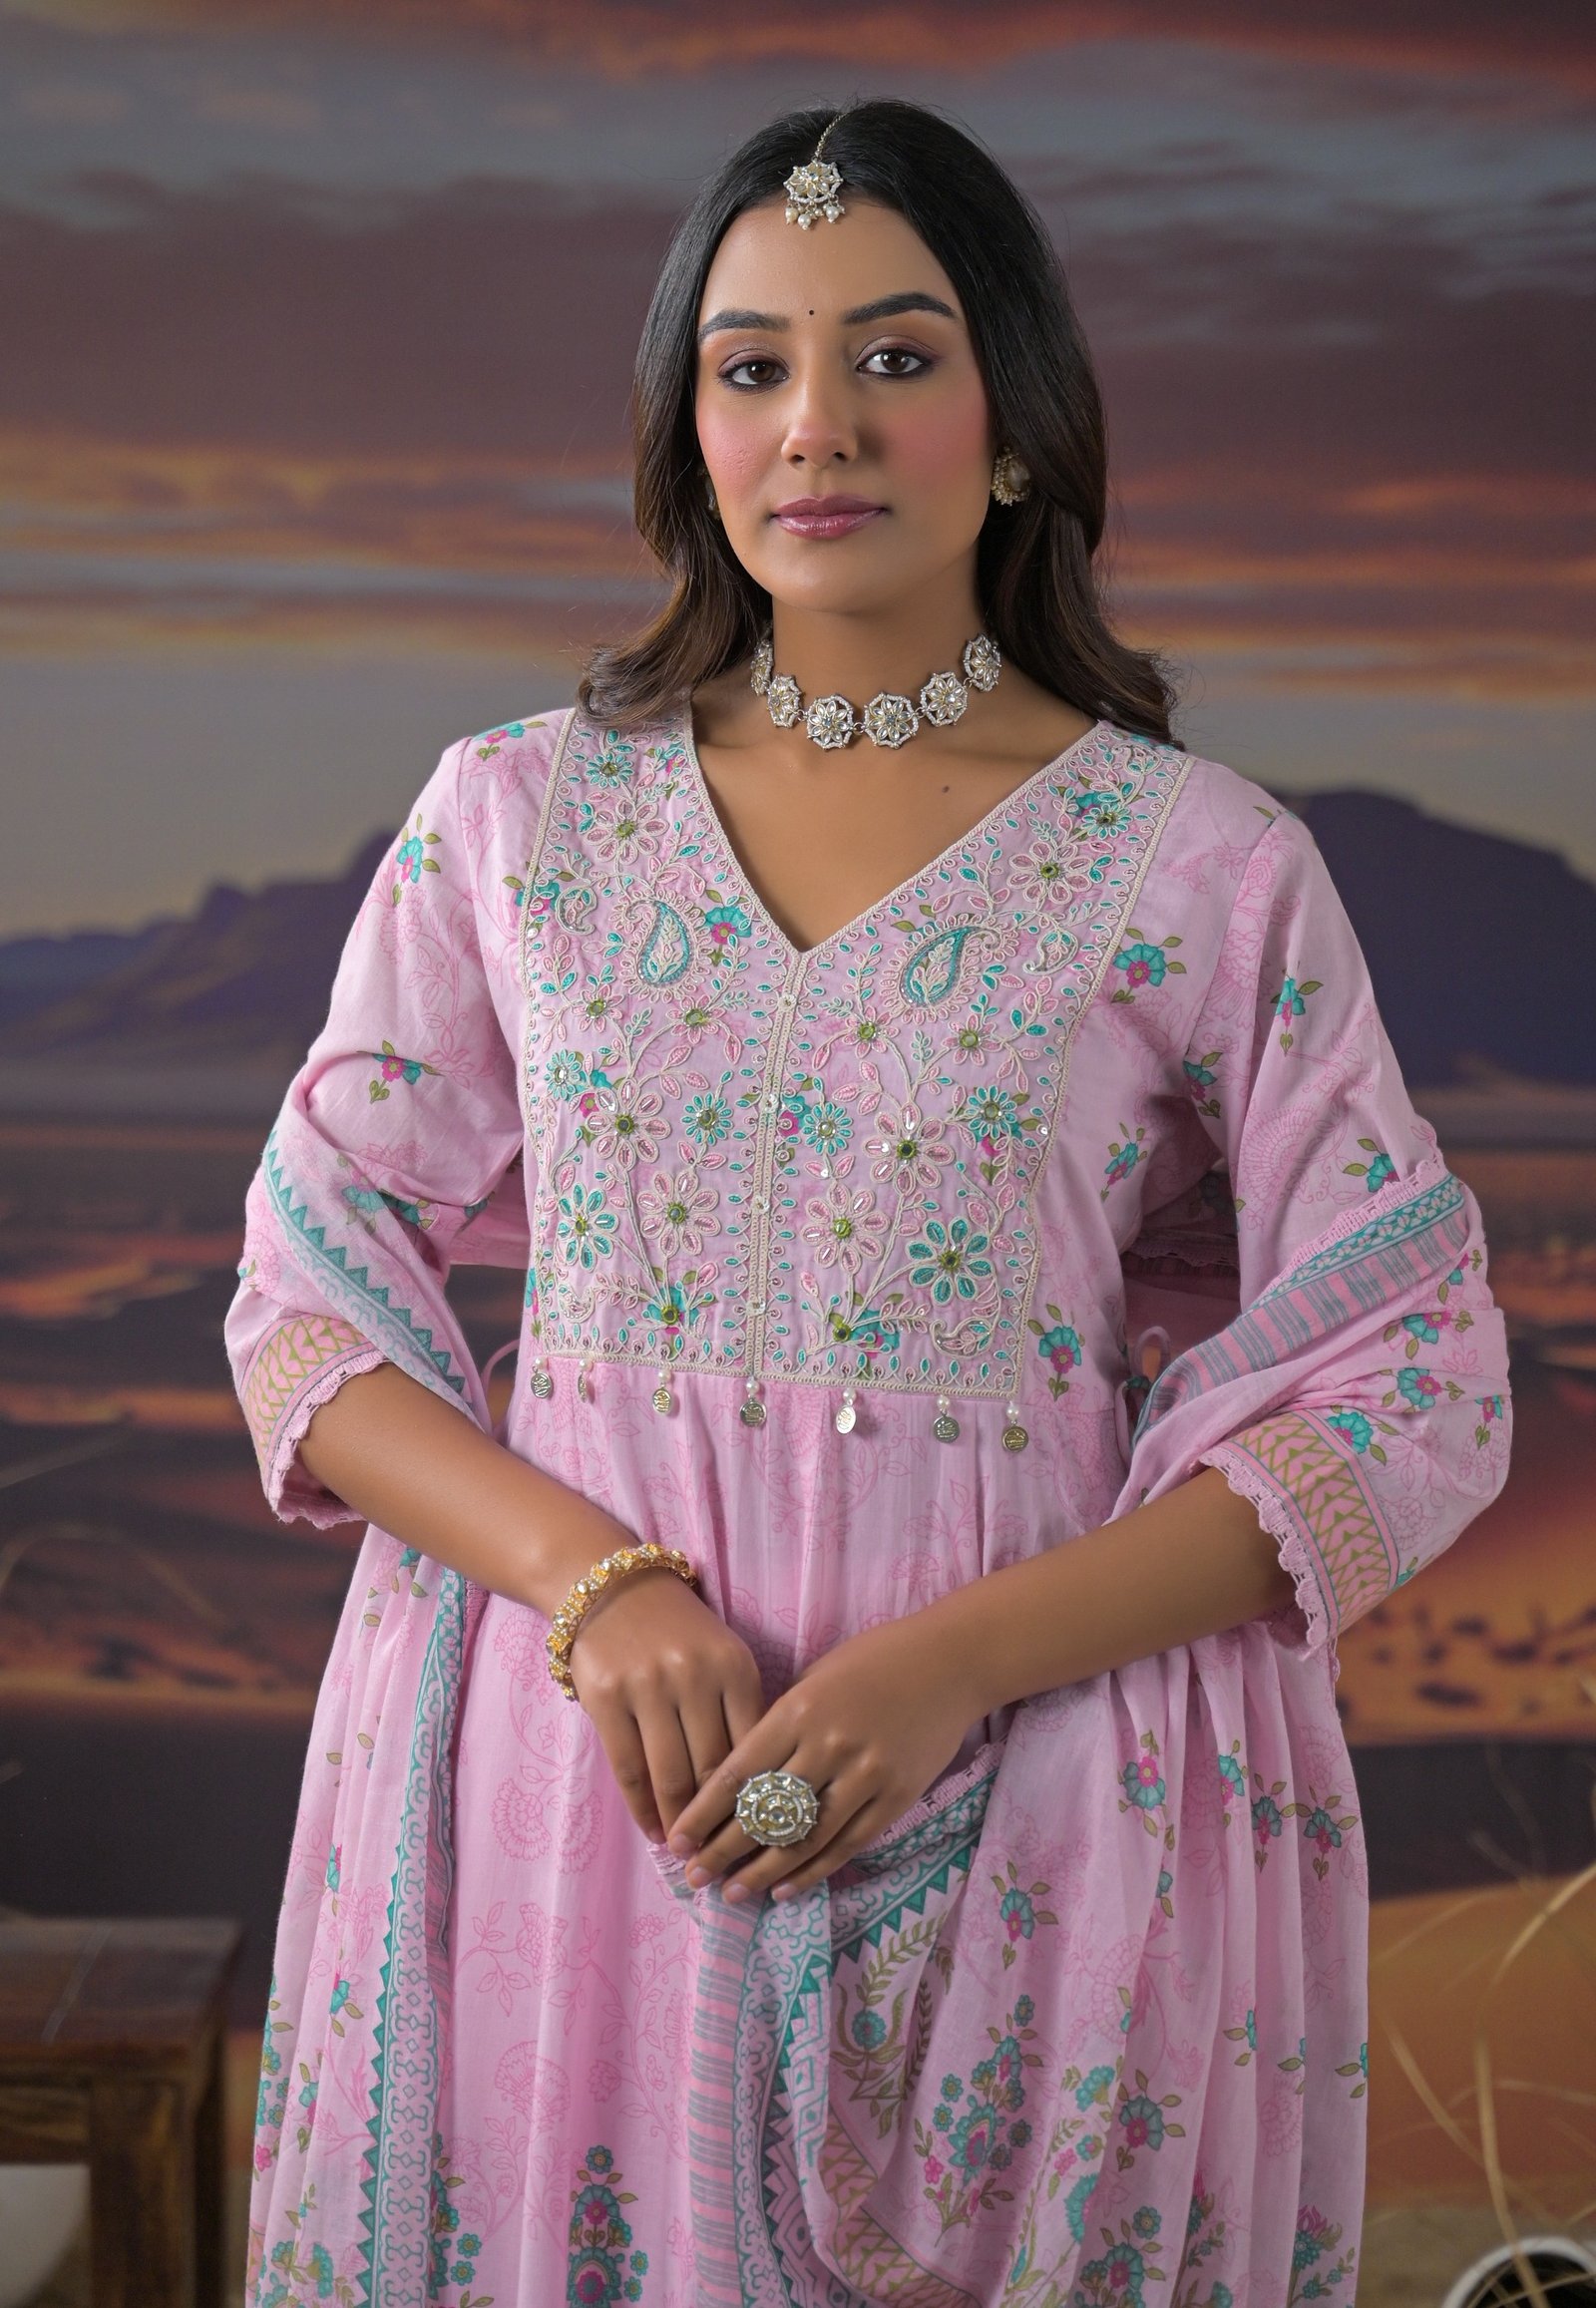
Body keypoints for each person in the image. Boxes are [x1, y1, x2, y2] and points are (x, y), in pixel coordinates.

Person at [227, 100, 1512, 2308]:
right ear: (689, 428)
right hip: (579, 1794)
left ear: (1014, 424)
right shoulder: (518, 820)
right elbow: (304, 1304)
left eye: (895, 356)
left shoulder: (1200, 864)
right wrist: (593, 1582)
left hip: (1042, 1787)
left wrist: (951, 1662)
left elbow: (1416, 1371)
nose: (815, 422)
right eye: (751, 366)